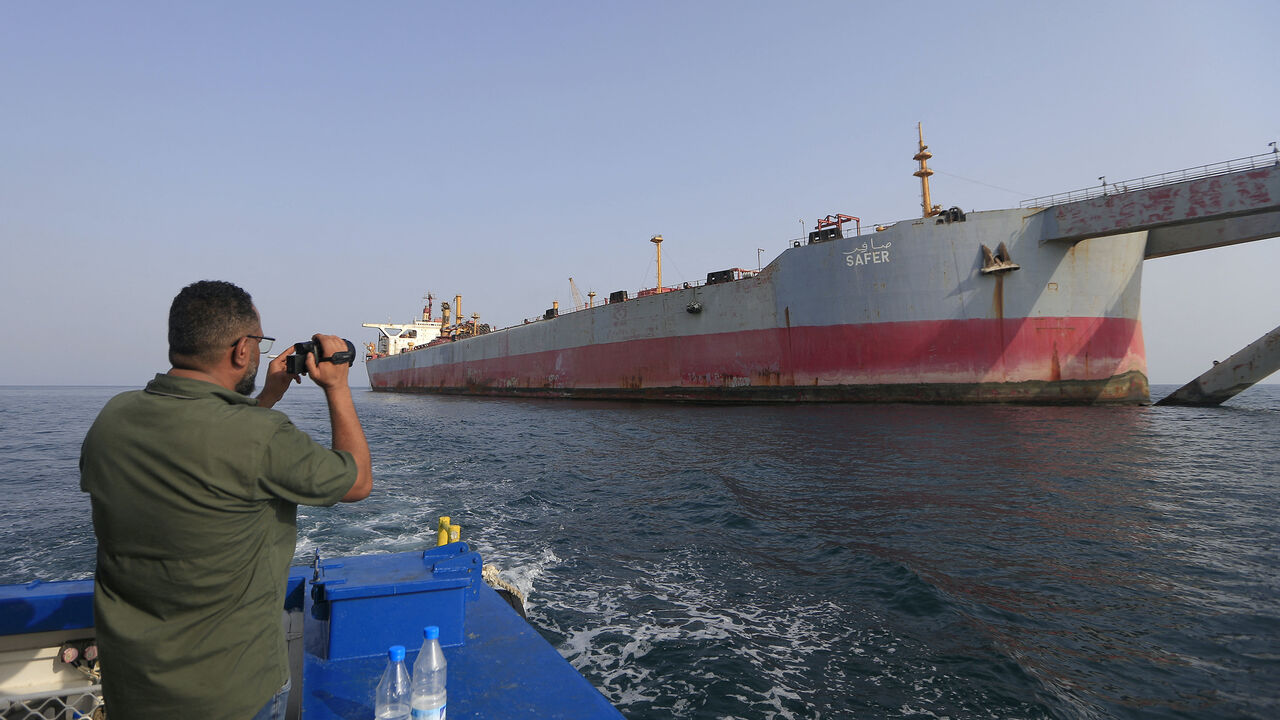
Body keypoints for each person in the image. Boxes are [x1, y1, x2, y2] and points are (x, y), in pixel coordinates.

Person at [80, 280, 373, 719]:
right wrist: (337, 387)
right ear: (241, 350)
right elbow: (357, 482)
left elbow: (208, 448)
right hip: (233, 694)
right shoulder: (260, 438)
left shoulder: (113, 418)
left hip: (133, 689)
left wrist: (266, 398)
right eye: (258, 342)